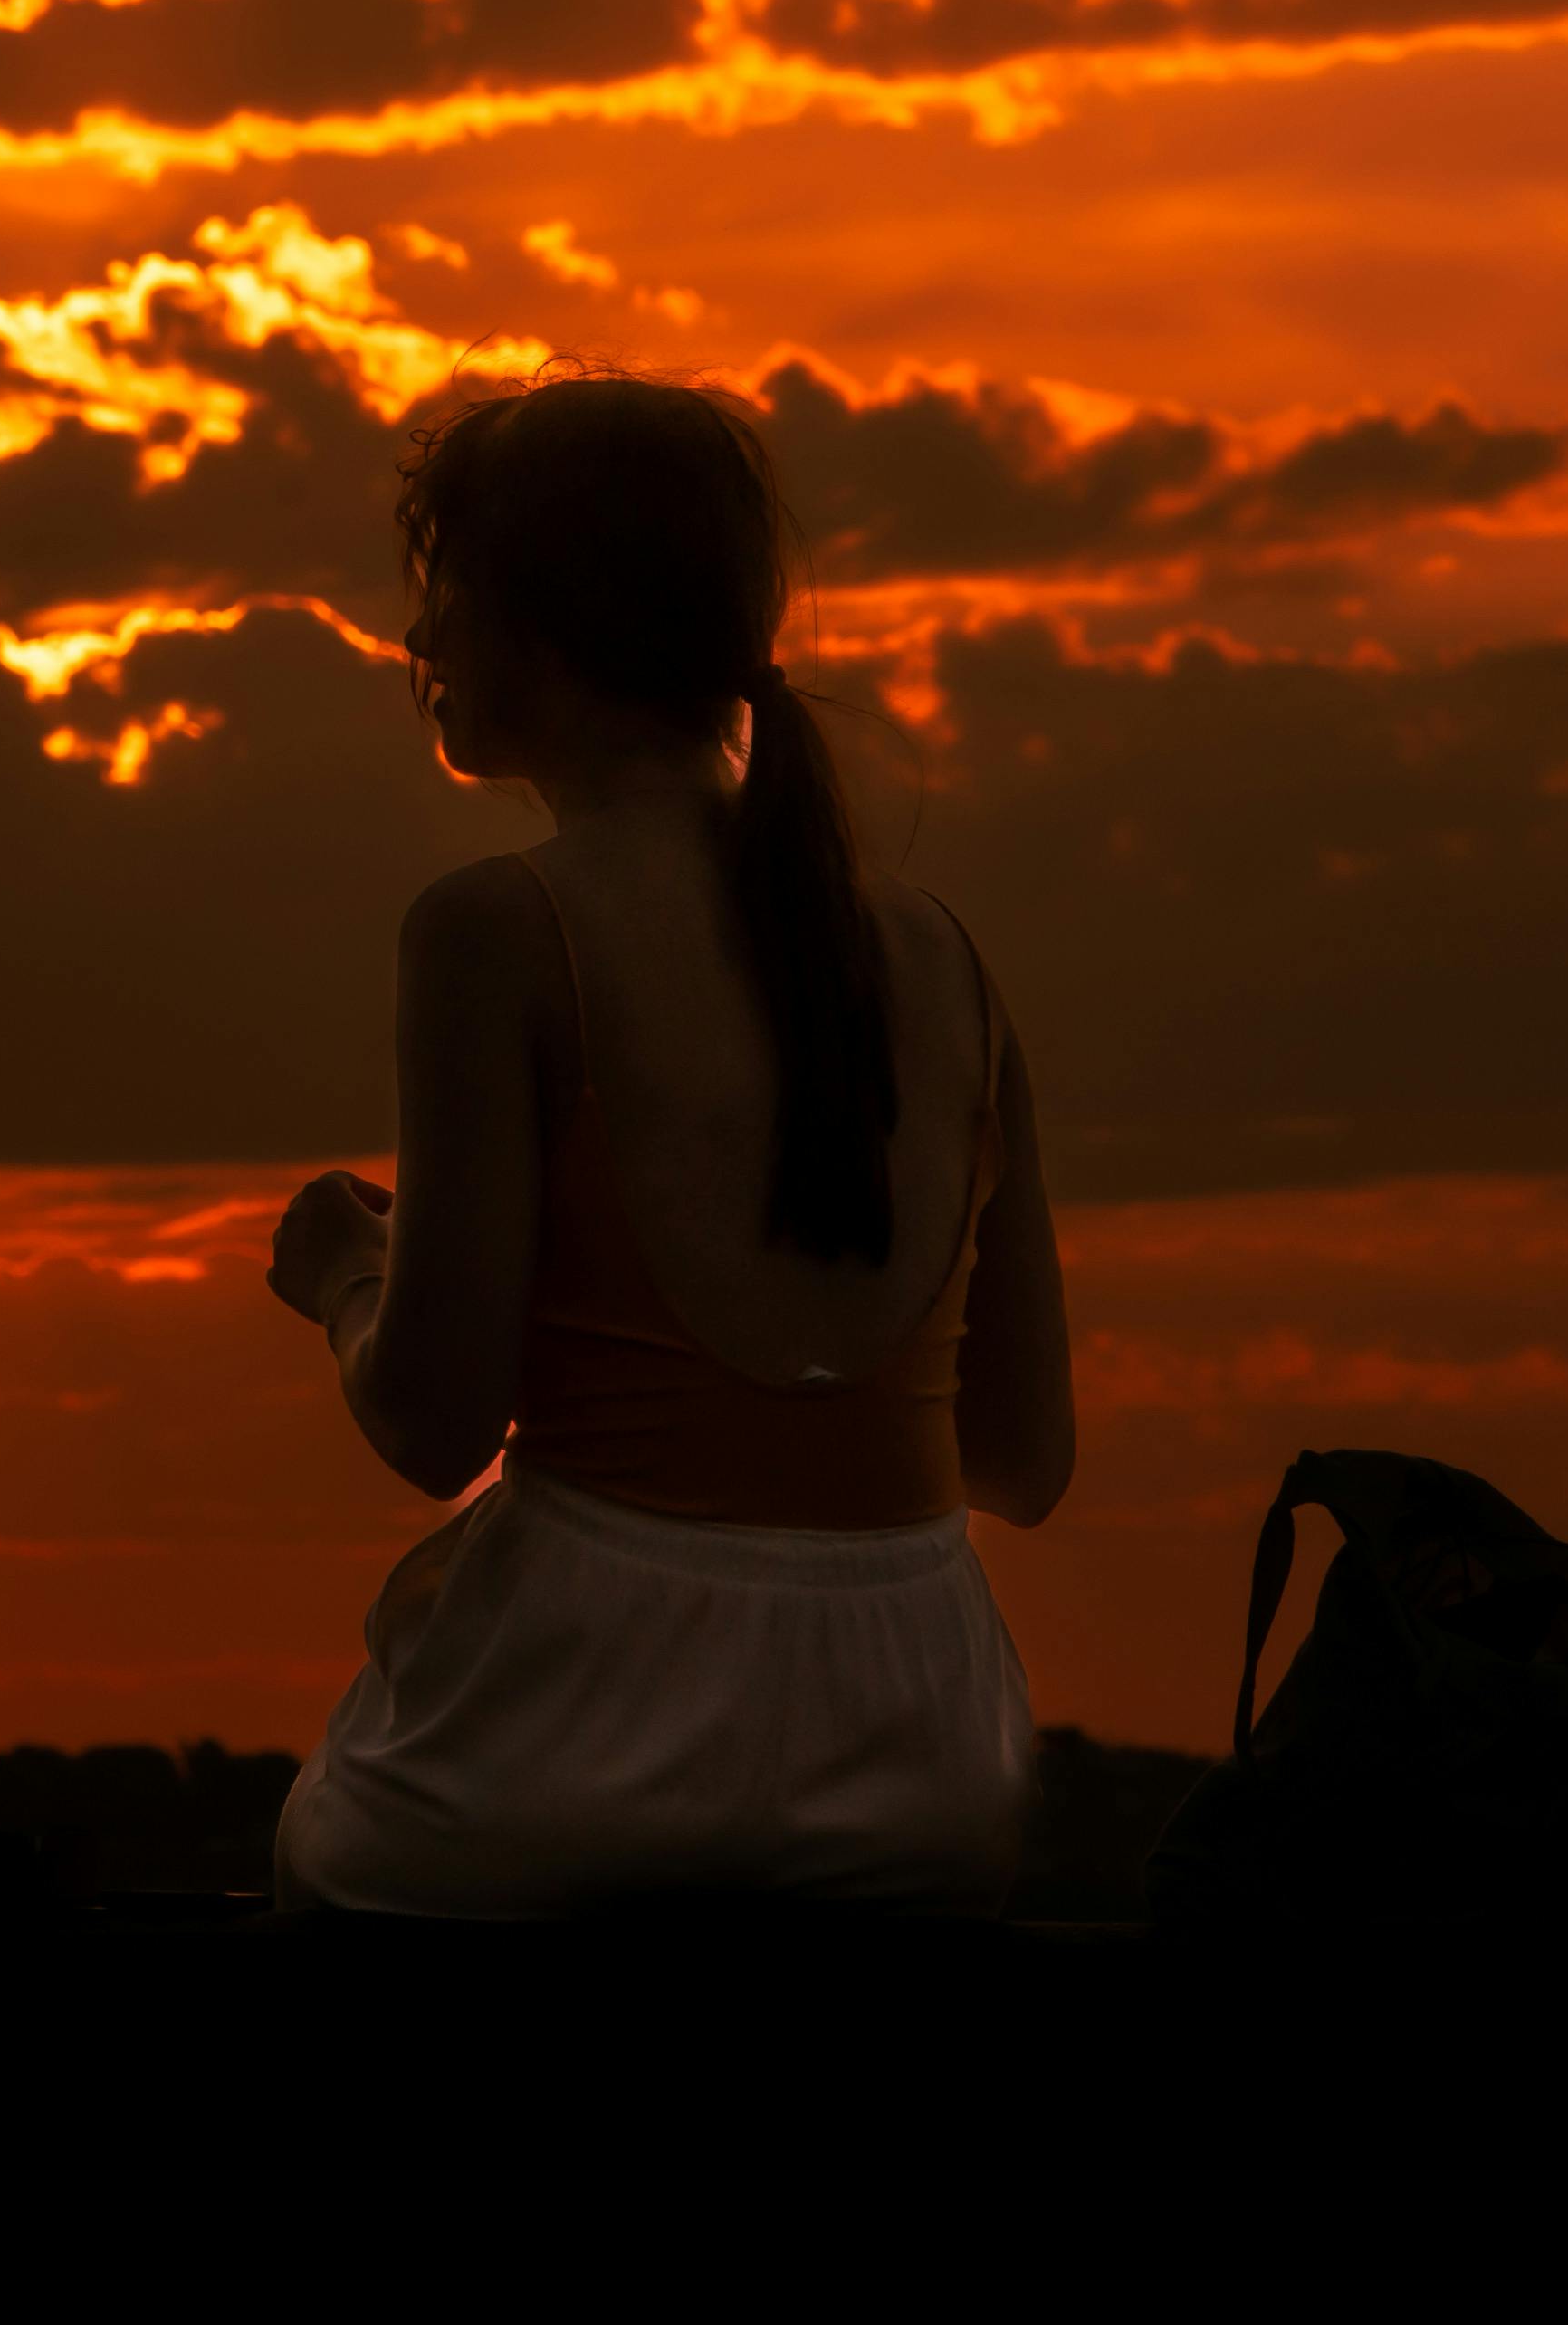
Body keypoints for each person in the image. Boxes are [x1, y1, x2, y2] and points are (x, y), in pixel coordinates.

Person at [263, 371, 1076, 1917]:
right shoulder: (942, 959)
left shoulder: (494, 932)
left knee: (324, 1868)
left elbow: (432, 1427)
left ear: (544, 624)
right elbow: (1019, 1461)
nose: (418, 645)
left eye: (445, 596)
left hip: (584, 1738)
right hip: (930, 1758)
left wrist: (345, 1280)